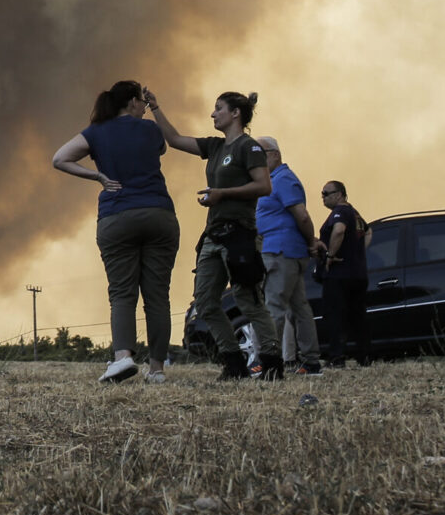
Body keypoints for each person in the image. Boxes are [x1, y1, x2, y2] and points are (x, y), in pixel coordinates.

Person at [51, 80, 179, 384]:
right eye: (143, 104)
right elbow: (164, 144)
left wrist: (96, 175)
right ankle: (157, 370)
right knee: (157, 295)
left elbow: (59, 159)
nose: (144, 109)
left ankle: (123, 359)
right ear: (134, 102)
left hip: (116, 215)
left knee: (122, 293)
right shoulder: (149, 129)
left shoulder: (96, 132)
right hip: (159, 214)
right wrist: (156, 108)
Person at [151, 89, 277, 380]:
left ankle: (272, 364)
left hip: (241, 235)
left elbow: (264, 186)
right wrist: (155, 108)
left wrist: (222, 193)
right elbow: (175, 139)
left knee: (249, 301)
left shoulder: (250, 147)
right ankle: (234, 365)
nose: (212, 113)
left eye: (218, 108)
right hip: (212, 236)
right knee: (205, 303)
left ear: (235, 113)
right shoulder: (215, 147)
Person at [256, 136, 322, 375]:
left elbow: (302, 216)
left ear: (274, 154)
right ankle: (311, 362)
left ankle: (270, 362)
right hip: (287, 251)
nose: (255, 159)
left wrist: (310, 242)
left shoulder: (282, 180)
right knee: (299, 307)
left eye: (259, 153)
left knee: (273, 306)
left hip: (280, 251)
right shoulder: (275, 179)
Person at [317, 180, 372, 368]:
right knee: (358, 316)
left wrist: (331, 255)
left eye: (326, 193)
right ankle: (364, 356)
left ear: (339, 194)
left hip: (339, 275)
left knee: (335, 316)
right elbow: (369, 232)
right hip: (358, 274)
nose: (323, 197)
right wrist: (356, 252)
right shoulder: (355, 213)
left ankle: (336, 357)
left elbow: (339, 231)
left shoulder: (340, 212)